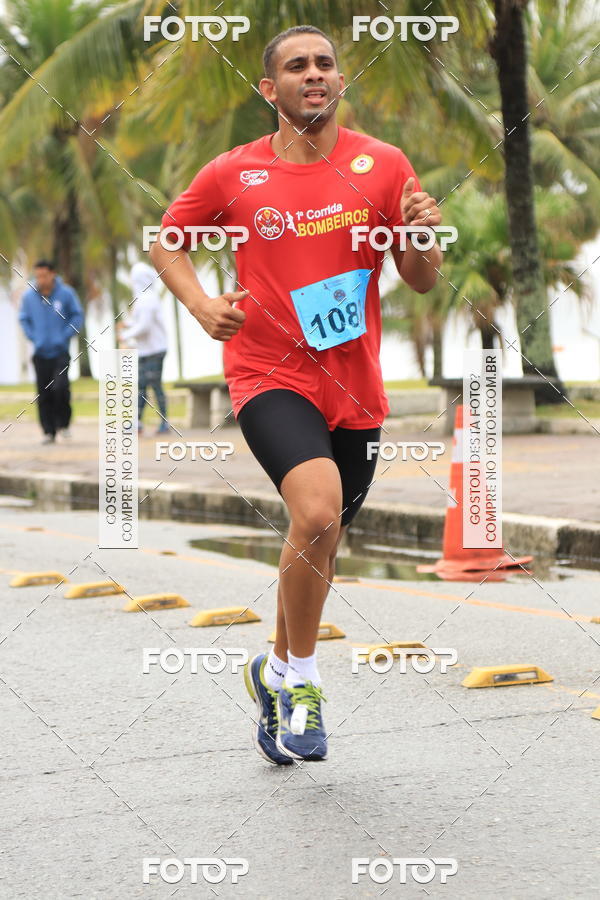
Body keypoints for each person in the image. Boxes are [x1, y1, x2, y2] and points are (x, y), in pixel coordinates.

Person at [149, 25, 443, 764]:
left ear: (340, 78)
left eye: (325, 63)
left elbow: (421, 277)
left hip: (355, 385)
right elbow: (166, 240)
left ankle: (273, 669)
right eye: (296, 66)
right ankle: (305, 681)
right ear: (268, 89)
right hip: (268, 372)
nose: (315, 74)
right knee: (314, 512)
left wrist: (420, 238)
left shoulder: (383, 165)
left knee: (321, 541)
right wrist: (197, 304)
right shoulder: (233, 173)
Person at [18, 260, 84, 444]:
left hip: (60, 352)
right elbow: (23, 319)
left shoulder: (66, 294)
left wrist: (64, 336)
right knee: (43, 392)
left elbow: (77, 315)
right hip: (40, 352)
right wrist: (33, 337)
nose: (40, 279)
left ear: (53, 274)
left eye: (44, 275)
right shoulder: (29, 297)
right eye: (37, 276)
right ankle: (49, 431)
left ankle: (64, 424)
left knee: (60, 387)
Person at [117, 262, 169, 436]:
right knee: (141, 386)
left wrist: (126, 335)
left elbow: (144, 326)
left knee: (154, 385)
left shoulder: (148, 299)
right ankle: (137, 423)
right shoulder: (143, 298)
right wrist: (127, 324)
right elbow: (138, 322)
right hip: (145, 350)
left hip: (155, 349)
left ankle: (164, 423)